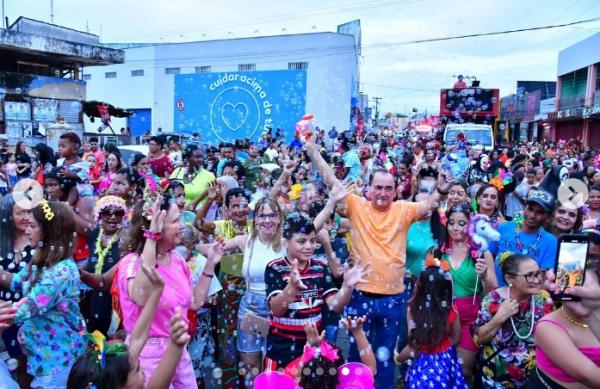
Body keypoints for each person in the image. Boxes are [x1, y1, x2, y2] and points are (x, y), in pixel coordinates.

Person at [301, 128, 438, 388]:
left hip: (392, 297)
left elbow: (429, 206)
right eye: (378, 188)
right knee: (356, 357)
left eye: (388, 188)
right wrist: (313, 151)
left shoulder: (404, 210)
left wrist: (439, 189)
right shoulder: (357, 206)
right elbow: (332, 181)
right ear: (369, 189)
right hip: (360, 296)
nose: (383, 193)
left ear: (396, 191)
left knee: (384, 358)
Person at [117, 191, 226, 388]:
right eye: (175, 221)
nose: (182, 226)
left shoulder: (176, 259)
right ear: (155, 225)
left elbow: (193, 302)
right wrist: (151, 236)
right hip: (146, 356)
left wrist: (210, 263)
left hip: (178, 351)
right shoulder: (131, 263)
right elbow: (141, 297)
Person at [264, 213, 369, 370]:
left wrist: (347, 286)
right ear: (285, 242)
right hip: (282, 349)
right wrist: (292, 287)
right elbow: (277, 310)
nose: (309, 246)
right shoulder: (275, 267)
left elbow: (335, 305)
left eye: (313, 241)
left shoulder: (319, 267)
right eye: (302, 241)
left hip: (314, 347)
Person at [0, 200, 87, 388]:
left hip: (58, 361)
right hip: (42, 355)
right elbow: (17, 282)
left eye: (32, 226)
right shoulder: (42, 260)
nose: (27, 231)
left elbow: (22, 311)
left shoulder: (60, 272)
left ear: (49, 232)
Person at [68, 266, 191, 389]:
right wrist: (175, 345)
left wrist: (156, 292)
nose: (143, 370)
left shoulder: (122, 369)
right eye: (137, 369)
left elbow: (138, 338)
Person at [430, 204, 498, 383]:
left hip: (470, 320)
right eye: (451, 222)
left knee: (464, 370)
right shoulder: (437, 251)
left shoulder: (482, 254)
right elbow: (425, 286)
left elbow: (494, 292)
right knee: (440, 368)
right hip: (441, 317)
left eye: (462, 223)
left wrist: (484, 276)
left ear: (470, 225)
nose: (455, 228)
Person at [472, 254, 552, 388]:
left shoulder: (543, 299)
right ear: (509, 278)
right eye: (530, 275)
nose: (537, 280)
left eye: (539, 273)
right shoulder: (493, 299)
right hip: (494, 382)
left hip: (532, 382)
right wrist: (499, 318)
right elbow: (478, 339)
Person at [395, 259, 467, 388]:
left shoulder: (413, 309)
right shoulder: (451, 309)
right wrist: (442, 343)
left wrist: (398, 358)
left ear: (420, 286)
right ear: (446, 287)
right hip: (447, 363)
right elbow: (456, 338)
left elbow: (414, 344)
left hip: (423, 366)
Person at [79, 195, 128, 334]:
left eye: (118, 213)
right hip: (94, 295)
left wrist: (81, 274)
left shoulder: (126, 239)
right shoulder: (96, 234)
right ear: (98, 216)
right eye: (107, 213)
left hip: (115, 297)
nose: (113, 217)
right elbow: (91, 260)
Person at [0, 194, 35, 386]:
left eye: (30, 211)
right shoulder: (1, 242)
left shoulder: (38, 240)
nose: (27, 216)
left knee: (35, 360)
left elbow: (37, 281)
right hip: (7, 316)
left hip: (33, 313)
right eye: (21, 212)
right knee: (19, 363)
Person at [489, 189, 557, 286]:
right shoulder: (504, 228)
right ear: (524, 207)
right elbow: (488, 254)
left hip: (526, 299)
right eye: (530, 209)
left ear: (549, 216)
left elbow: (543, 278)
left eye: (540, 212)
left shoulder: (550, 242)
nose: (533, 215)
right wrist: (492, 284)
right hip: (497, 294)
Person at [170, 145, 215, 210]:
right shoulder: (178, 171)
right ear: (188, 158)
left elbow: (213, 198)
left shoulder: (209, 176)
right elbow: (168, 191)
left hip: (197, 214)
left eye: (201, 157)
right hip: (175, 212)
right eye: (197, 157)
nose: (200, 159)